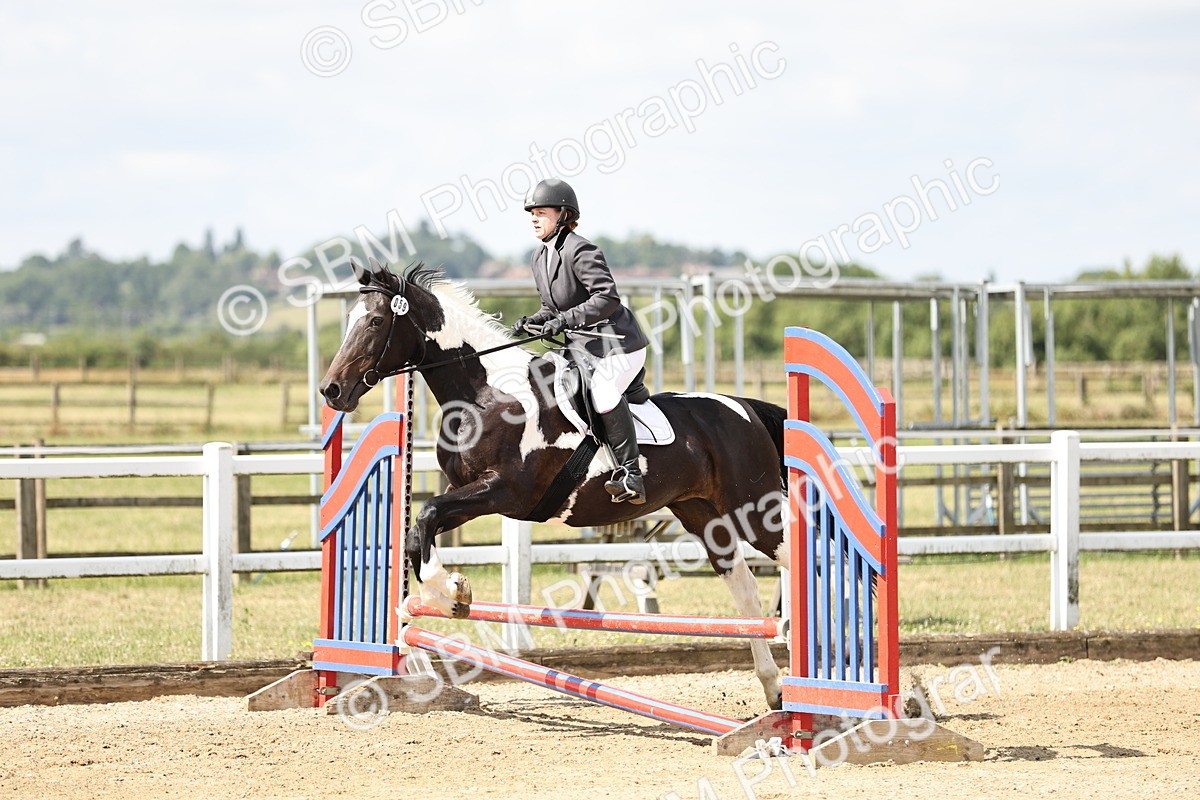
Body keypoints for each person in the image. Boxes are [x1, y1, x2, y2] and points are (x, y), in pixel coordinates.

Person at [511, 178, 651, 504]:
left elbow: (607, 297)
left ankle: (631, 474)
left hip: (618, 345)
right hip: (582, 348)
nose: (534, 219)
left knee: (603, 390)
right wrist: (533, 321)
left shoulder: (581, 250)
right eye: (532, 214)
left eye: (541, 213)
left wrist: (565, 320)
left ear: (563, 215)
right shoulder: (539, 256)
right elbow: (552, 307)